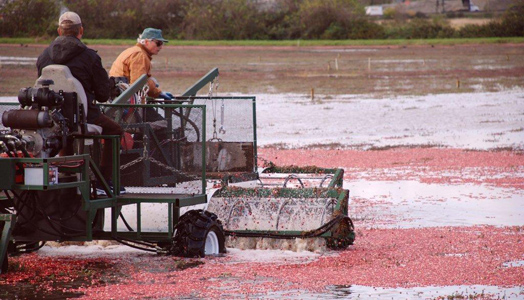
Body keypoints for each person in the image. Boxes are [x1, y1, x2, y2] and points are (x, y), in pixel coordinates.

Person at [36, 11, 125, 196]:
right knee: (115, 130)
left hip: (52, 117)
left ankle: (67, 176)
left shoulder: (43, 57)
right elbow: (102, 95)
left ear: (59, 31)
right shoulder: (90, 57)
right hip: (84, 116)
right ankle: (104, 181)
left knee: (65, 131)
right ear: (80, 31)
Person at [109, 28, 173, 100]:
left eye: (162, 44)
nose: (161, 47)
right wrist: (158, 93)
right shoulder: (140, 55)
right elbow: (138, 84)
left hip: (118, 94)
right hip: (124, 98)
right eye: (158, 43)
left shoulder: (134, 50)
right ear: (146, 42)